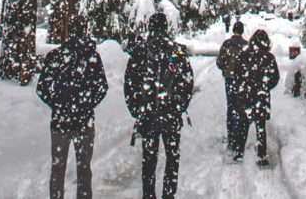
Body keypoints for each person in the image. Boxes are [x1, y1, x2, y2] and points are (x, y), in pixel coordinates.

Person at [36, 15, 108, 199]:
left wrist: (58, 104)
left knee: (58, 168)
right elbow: (102, 87)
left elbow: (42, 88)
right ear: (85, 31)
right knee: (84, 168)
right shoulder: (92, 57)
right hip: (84, 121)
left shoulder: (58, 55)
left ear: (68, 31)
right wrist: (88, 104)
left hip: (61, 121)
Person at [125, 13, 194, 199]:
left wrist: (136, 109)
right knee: (172, 158)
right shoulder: (177, 51)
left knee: (149, 159)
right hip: (170, 115)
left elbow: (129, 83)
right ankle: (168, 194)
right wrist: (179, 106)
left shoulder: (140, 52)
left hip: (148, 115)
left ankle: (148, 194)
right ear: (166, 28)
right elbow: (187, 82)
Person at [231, 29, 279, 166]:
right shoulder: (269, 57)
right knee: (261, 125)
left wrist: (243, 87)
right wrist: (265, 86)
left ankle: (239, 152)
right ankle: (261, 155)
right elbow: (275, 77)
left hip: (246, 96)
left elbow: (237, 74)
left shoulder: (244, 56)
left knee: (243, 124)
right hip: (261, 97)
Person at [216, 21, 247, 160]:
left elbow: (219, 62)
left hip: (229, 79)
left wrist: (226, 69)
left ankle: (231, 136)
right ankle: (238, 136)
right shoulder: (246, 45)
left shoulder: (227, 44)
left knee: (231, 107)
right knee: (240, 107)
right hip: (242, 81)